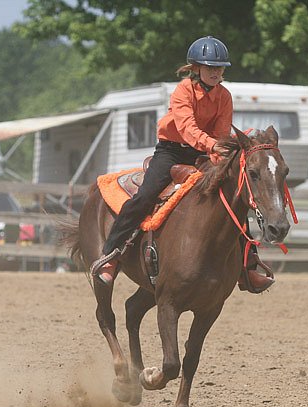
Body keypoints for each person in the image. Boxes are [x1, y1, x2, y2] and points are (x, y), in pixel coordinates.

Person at [90, 36, 274, 292]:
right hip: (172, 152)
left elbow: (221, 131)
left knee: (233, 197)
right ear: (196, 68)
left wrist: (219, 152)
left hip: (205, 153)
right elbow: (187, 128)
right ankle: (110, 256)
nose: (216, 72)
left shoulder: (224, 96)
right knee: (145, 196)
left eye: (219, 68)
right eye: (210, 67)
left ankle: (247, 266)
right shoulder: (183, 91)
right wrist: (213, 146)